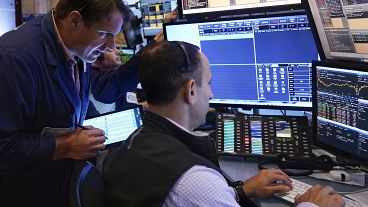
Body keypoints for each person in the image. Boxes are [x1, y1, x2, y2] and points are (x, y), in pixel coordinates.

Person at [102, 41, 345, 207]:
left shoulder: (137, 139)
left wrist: (240, 190)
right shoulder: (195, 180)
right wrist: (310, 205)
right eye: (208, 82)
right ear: (191, 91)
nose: (212, 93)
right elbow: (195, 192)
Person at [0, 0, 135, 206]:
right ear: (74, 21)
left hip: (60, 185)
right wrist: (64, 146)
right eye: (104, 34)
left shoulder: (77, 46)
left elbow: (73, 100)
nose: (112, 47)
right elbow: (3, 147)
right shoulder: (14, 59)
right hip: (22, 194)